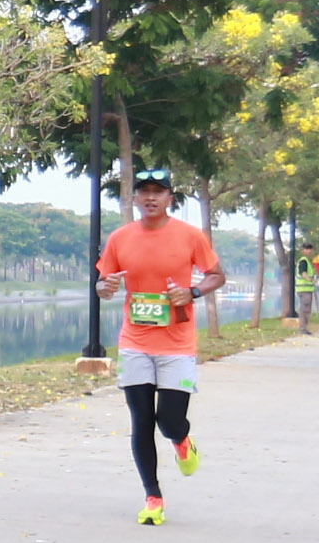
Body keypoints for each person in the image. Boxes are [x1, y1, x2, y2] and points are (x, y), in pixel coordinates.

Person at [93, 169, 223, 523]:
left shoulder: (190, 236)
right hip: (135, 342)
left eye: (158, 192)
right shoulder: (120, 238)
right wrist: (105, 288)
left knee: (169, 420)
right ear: (134, 198)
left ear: (170, 199)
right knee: (141, 421)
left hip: (177, 344)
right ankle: (153, 497)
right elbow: (103, 284)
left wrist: (192, 291)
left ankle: (182, 440)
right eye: (144, 192)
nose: (151, 197)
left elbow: (216, 275)